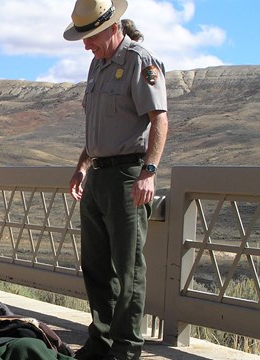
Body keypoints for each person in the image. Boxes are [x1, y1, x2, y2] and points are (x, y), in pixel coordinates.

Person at [63, 1, 168, 360]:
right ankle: (102, 339)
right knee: (94, 264)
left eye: (90, 37)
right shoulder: (97, 65)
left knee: (128, 268)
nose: (85, 46)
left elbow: (159, 120)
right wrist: (82, 165)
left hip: (127, 177)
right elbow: (98, 128)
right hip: (97, 176)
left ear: (112, 27)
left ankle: (126, 348)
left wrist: (149, 172)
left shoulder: (139, 60)